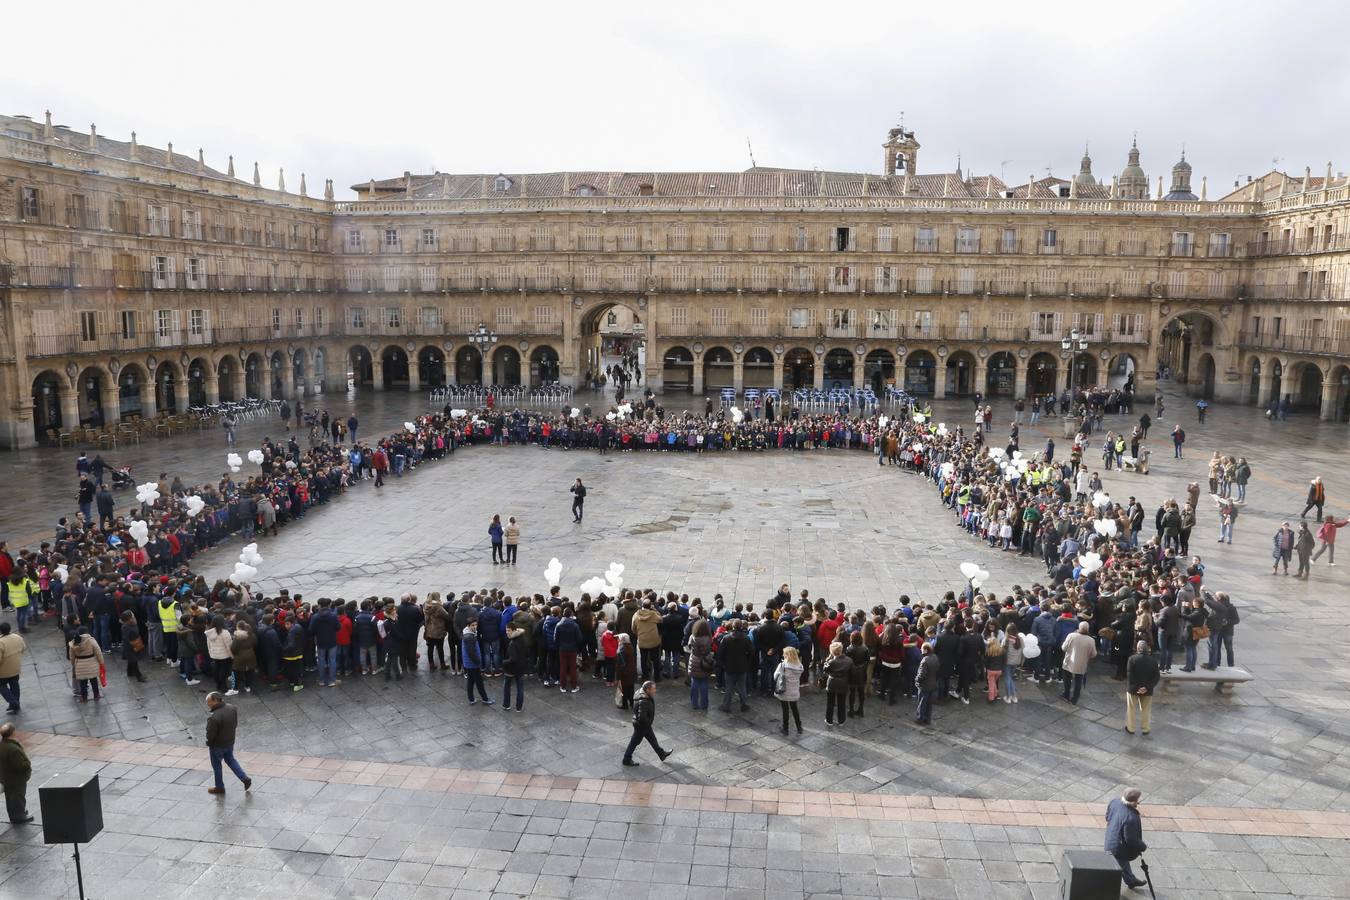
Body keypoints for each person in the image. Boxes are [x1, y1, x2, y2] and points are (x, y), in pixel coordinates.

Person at [204, 691, 251, 795]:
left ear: (215, 701)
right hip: (230, 742)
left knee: (217, 766)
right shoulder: (232, 708)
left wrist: (209, 743)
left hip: (217, 746)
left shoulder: (214, 717)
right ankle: (245, 778)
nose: (208, 704)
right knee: (231, 760)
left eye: (209, 702)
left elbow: (210, 735)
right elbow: (235, 724)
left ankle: (219, 787)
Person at [1104, 789, 1148, 889]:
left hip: (1110, 839)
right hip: (1118, 848)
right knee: (1116, 869)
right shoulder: (1130, 817)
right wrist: (1142, 846)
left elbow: (1107, 817)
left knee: (1123, 863)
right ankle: (1105, 891)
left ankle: (1131, 880)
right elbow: (1130, 839)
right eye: (1137, 800)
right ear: (1133, 801)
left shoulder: (1115, 802)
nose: (1138, 802)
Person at [621, 681, 672, 767]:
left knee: (652, 740)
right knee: (634, 742)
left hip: (644, 725)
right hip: (642, 726)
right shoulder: (643, 701)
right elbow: (642, 718)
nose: (655, 690)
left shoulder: (644, 695)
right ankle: (626, 759)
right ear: (647, 690)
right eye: (653, 689)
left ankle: (661, 754)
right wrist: (649, 722)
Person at [1124, 641, 1159, 735]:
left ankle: (1131, 728)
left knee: (1131, 709)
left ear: (1138, 648)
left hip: (1133, 689)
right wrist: (1146, 687)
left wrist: (1138, 687)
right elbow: (1156, 677)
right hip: (1147, 691)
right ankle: (1145, 728)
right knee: (1146, 710)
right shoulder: (1153, 661)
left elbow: (1129, 675)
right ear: (1147, 649)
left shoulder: (1132, 659)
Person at [0, 724, 32, 824]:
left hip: (7, 777)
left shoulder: (3, 745)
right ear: (12, 733)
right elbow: (20, 766)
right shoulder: (13, 749)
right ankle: (19, 816)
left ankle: (15, 814)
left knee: (10, 798)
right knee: (18, 797)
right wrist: (27, 763)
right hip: (16, 779)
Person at [1060, 621, 1096, 705]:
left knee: (1067, 678)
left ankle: (1066, 694)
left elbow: (1063, 648)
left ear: (1079, 628)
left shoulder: (1071, 636)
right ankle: (1074, 699)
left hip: (1069, 661)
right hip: (1082, 663)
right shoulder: (1091, 640)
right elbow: (1094, 654)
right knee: (1078, 680)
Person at [773, 646, 804, 735]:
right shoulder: (800, 666)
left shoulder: (782, 665)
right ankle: (799, 727)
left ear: (787, 655)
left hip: (784, 691)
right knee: (795, 709)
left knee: (785, 710)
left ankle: (785, 729)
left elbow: (775, 677)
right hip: (794, 691)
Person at [68, 628, 105, 702]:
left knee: (83, 682)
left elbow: (72, 657)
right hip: (92, 663)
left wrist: (74, 664)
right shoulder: (91, 640)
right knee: (94, 680)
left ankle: (84, 697)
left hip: (80, 665)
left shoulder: (73, 644)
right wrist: (101, 662)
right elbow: (98, 652)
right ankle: (96, 694)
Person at [822, 641, 853, 726]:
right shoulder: (849, 660)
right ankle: (841, 720)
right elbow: (851, 672)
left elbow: (825, 669)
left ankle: (829, 720)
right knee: (842, 703)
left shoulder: (831, 662)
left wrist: (827, 660)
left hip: (832, 682)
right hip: (843, 683)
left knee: (830, 703)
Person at [461, 620, 492, 705]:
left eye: (476, 625)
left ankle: (471, 699)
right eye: (472, 625)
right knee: (479, 682)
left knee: (471, 681)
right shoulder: (469, 637)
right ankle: (485, 699)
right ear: (468, 626)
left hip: (469, 663)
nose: (475, 627)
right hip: (472, 663)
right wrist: (478, 662)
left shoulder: (469, 634)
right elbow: (471, 652)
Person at [0, 624, 26, 714]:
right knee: (14, 684)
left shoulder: (1, 642)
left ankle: (14, 702)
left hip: (3, 671)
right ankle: (15, 704)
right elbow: (23, 648)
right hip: (16, 667)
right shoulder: (17, 637)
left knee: (2, 686)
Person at [501, 625, 527, 711]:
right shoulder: (522, 638)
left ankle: (506, 704)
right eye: (506, 630)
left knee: (507, 686)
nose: (507, 632)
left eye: (509, 630)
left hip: (511, 669)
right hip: (521, 667)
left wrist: (503, 662)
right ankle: (519, 707)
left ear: (514, 630)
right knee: (520, 687)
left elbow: (513, 659)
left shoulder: (512, 643)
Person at [915, 642, 938, 725]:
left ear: (925, 650)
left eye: (922, 649)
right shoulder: (935, 657)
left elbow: (921, 675)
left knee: (922, 702)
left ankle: (920, 718)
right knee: (929, 703)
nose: (921, 650)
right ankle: (927, 719)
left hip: (924, 685)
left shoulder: (925, 661)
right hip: (933, 683)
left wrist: (917, 680)